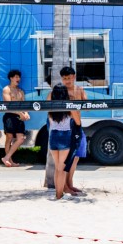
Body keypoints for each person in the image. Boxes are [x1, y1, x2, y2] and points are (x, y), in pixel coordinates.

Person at [44, 64, 89, 194]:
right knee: (63, 161)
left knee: (76, 157)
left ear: (74, 77)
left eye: (69, 78)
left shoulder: (79, 90)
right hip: (59, 127)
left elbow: (87, 106)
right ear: (62, 79)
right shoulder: (57, 92)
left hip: (75, 125)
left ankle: (69, 184)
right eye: (65, 78)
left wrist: (76, 104)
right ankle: (63, 187)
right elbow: (47, 108)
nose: (67, 81)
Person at [45, 90, 77, 200]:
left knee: (57, 168)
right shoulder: (69, 107)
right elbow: (77, 121)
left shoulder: (50, 108)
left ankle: (58, 194)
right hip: (65, 135)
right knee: (61, 168)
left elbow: (48, 99)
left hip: (53, 135)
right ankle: (59, 195)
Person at [1, 69, 28, 167]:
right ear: (11, 78)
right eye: (16, 77)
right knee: (9, 137)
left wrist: (26, 113)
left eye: (19, 77)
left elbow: (24, 105)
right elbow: (9, 105)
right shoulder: (6, 89)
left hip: (19, 116)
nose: (18, 79)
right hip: (10, 116)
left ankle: (6, 157)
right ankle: (9, 161)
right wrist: (21, 113)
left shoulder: (20, 91)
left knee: (21, 138)